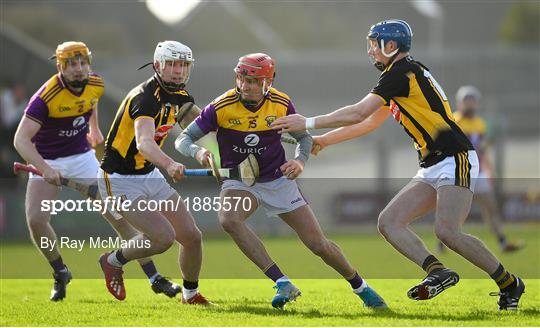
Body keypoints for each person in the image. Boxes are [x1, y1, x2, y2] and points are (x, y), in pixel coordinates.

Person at [270, 20, 525, 311]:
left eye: (374, 44)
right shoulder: (400, 76)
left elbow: (357, 112)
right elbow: (368, 122)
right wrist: (324, 140)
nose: (370, 51)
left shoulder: (401, 72)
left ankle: (510, 284)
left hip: (456, 156)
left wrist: (307, 122)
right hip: (432, 163)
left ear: (390, 46)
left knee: (448, 231)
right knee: (389, 222)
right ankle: (437, 271)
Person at [176, 53, 387, 309]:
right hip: (240, 181)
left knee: (318, 245)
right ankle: (281, 282)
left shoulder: (281, 103)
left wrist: (299, 162)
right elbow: (182, 140)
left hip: (278, 180)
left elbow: (304, 139)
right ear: (237, 78)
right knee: (229, 220)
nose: (248, 86)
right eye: (243, 79)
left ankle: (360, 286)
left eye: (255, 81)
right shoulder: (221, 106)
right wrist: (198, 152)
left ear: (268, 81)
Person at [13, 41, 179, 302]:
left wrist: (94, 127)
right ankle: (60, 271)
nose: (79, 69)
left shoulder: (95, 83)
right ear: (60, 67)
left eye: (82, 63)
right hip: (45, 159)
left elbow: (90, 102)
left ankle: (154, 277)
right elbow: (21, 139)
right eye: (71, 65)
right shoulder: (45, 97)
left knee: (118, 216)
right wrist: (45, 168)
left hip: (82, 158)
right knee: (36, 220)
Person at [97, 41, 211, 305]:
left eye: (183, 65)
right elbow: (145, 144)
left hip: (148, 174)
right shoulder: (145, 97)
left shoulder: (180, 97)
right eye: (172, 64)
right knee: (163, 238)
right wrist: (170, 164)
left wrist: (214, 151)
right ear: (158, 65)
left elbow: (205, 128)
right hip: (119, 179)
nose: (178, 70)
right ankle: (112, 261)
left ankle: (190, 295)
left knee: (192, 237)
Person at [436, 86, 524, 253]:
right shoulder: (453, 121)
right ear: (460, 103)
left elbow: (480, 150)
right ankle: (442, 242)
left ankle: (502, 241)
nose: (470, 104)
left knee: (490, 206)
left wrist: (487, 165)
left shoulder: (480, 123)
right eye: (467, 100)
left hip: (479, 173)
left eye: (473, 100)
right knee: (455, 212)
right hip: (460, 172)